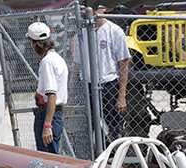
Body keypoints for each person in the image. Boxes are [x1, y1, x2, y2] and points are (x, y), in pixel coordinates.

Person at [73, 5, 131, 145]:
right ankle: (91, 158)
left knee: (112, 127)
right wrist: (71, 91)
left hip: (108, 85)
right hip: (87, 85)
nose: (91, 11)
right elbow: (77, 65)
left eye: (95, 7)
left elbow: (123, 65)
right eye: (88, 7)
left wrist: (121, 96)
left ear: (104, 8)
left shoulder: (114, 31)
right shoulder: (81, 32)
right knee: (87, 127)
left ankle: (112, 158)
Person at [28, 21, 68, 154]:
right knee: (52, 157)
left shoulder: (47, 62)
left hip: (47, 114)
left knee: (48, 161)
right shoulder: (56, 58)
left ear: (33, 42)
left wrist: (47, 125)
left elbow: (51, 94)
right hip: (54, 114)